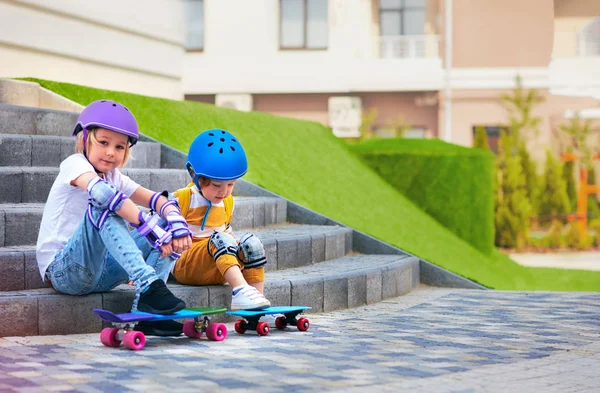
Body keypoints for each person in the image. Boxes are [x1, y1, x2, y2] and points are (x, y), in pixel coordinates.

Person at [36, 99, 193, 336]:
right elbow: (101, 193)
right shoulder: (74, 164)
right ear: (85, 138)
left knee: (165, 215)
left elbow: (158, 199)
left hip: (103, 271)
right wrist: (146, 225)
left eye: (120, 147)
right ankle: (150, 286)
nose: (111, 152)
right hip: (66, 271)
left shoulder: (114, 175)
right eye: (103, 142)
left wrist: (175, 221)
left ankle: (148, 311)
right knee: (104, 203)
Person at [171, 129, 271, 311]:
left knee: (251, 244)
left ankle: (258, 304)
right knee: (221, 239)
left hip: (218, 266)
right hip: (186, 265)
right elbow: (155, 232)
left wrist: (239, 245)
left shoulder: (226, 202)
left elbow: (226, 230)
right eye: (217, 185)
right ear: (195, 176)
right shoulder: (183, 199)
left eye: (230, 185)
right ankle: (241, 291)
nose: (223, 192)